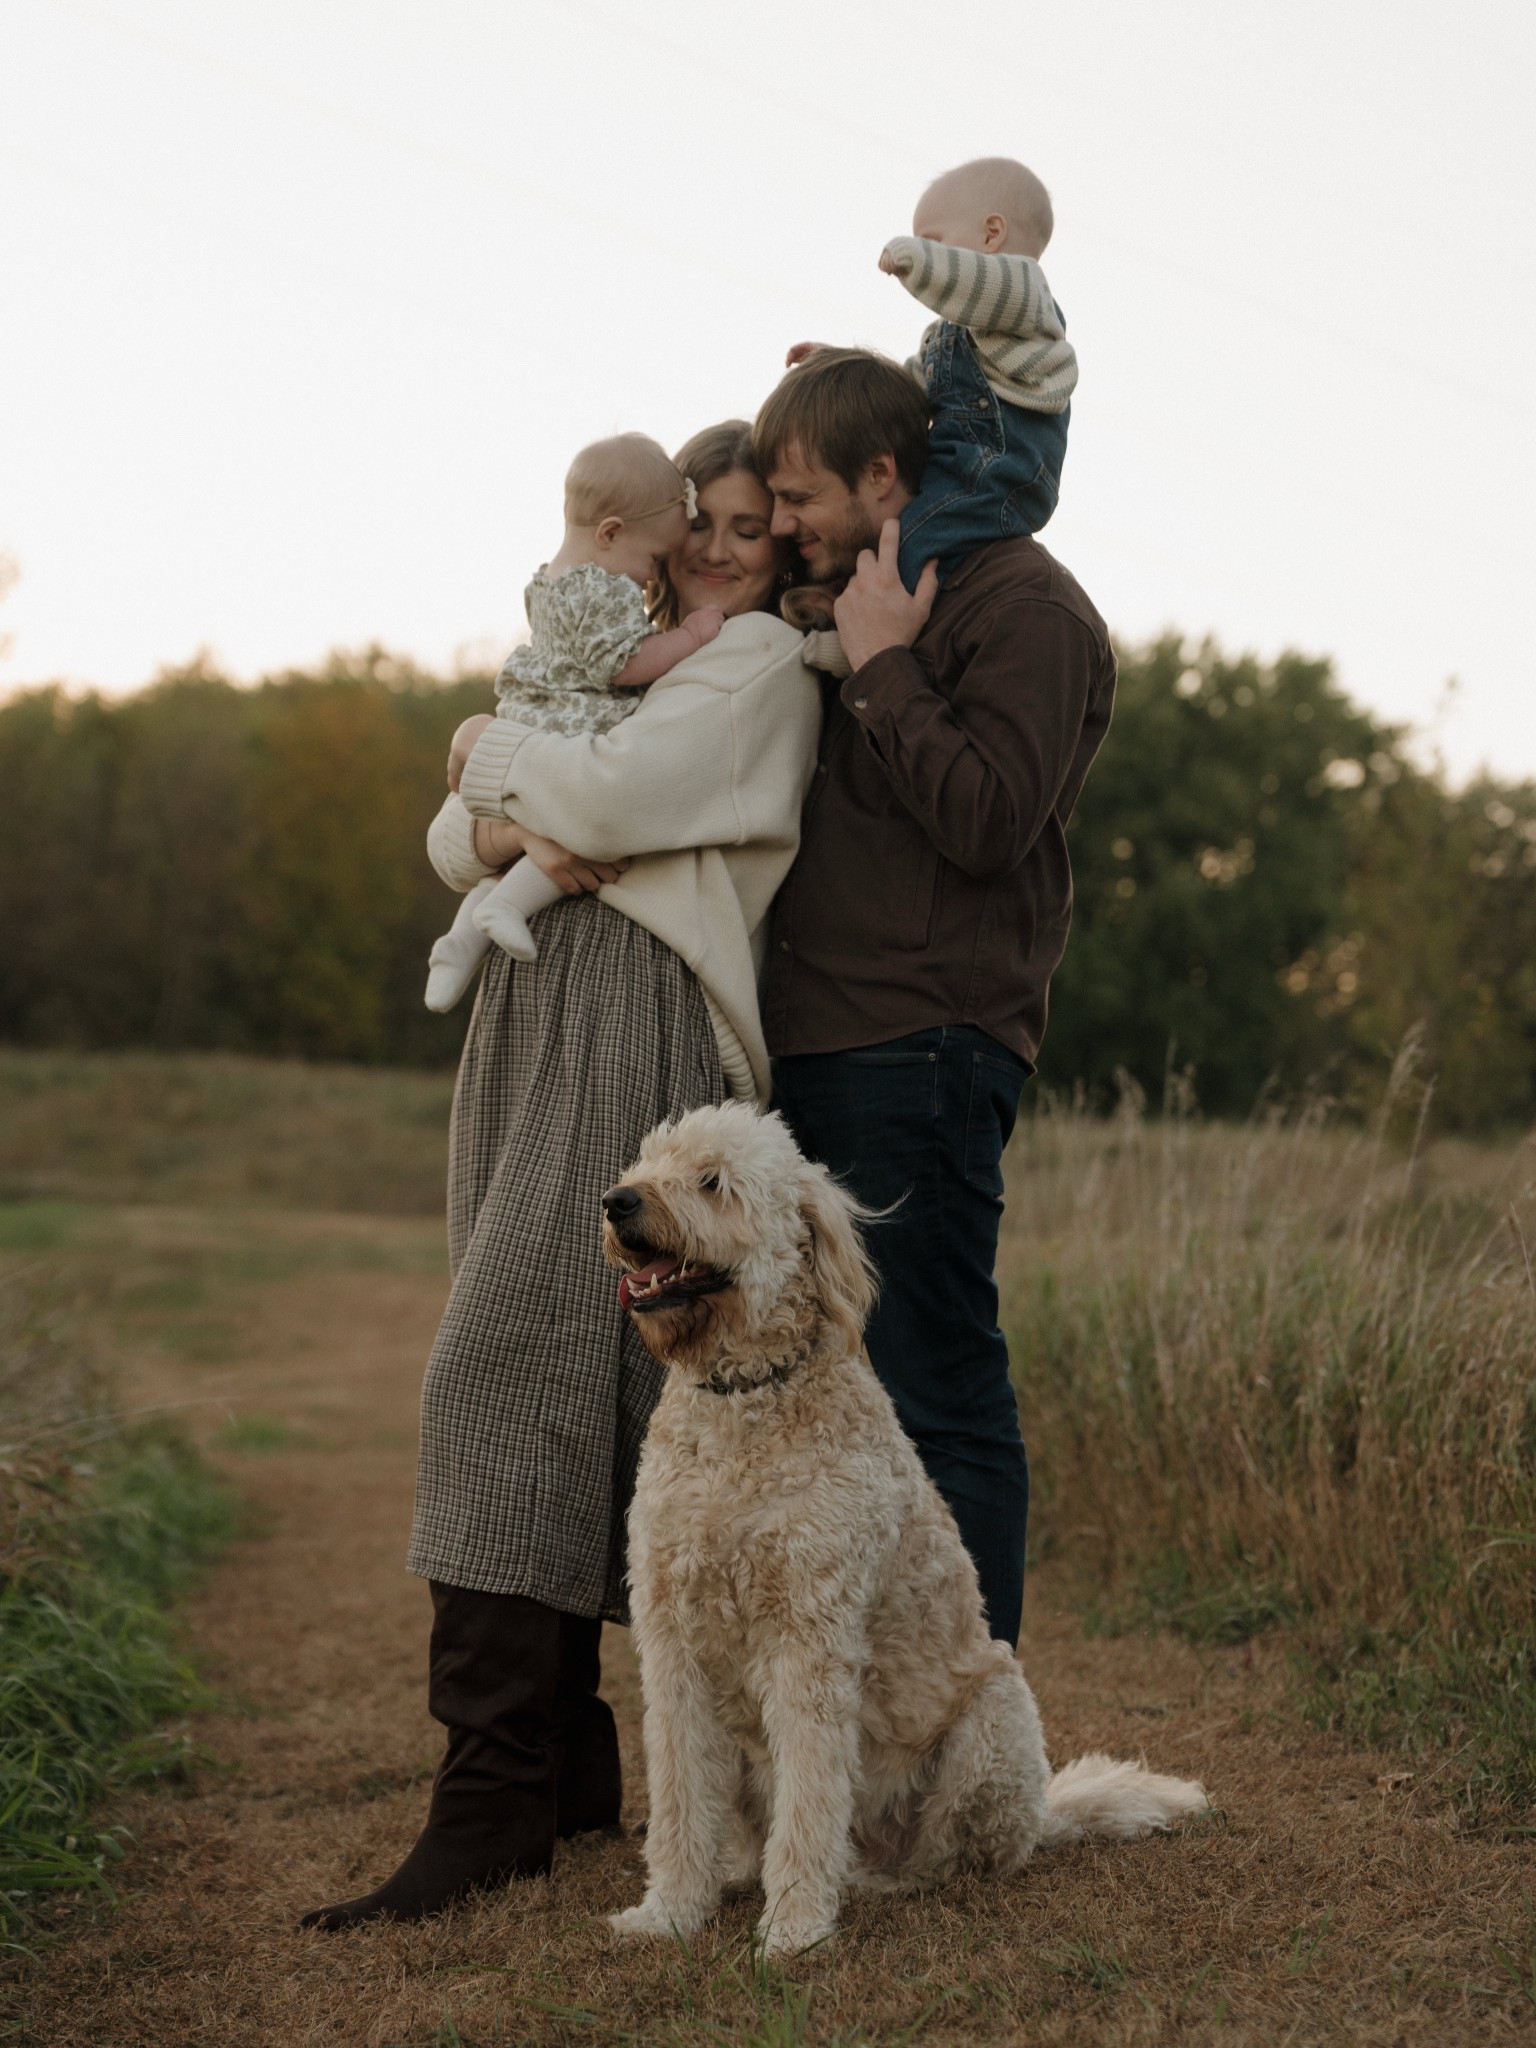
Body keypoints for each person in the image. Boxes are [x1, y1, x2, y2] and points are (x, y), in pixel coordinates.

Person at [300, 423, 821, 1930]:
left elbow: (594, 807)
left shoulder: (760, 669)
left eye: (749, 527)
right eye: (701, 524)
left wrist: (486, 756)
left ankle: (490, 1798)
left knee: (500, 1365)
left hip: (639, 1021)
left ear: (783, 546)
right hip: (531, 1026)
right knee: (570, 1373)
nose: (721, 548)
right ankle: (570, 1770)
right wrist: (489, 797)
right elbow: (452, 844)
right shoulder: (623, 650)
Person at [754, 348, 1116, 1652]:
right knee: (836, 1397)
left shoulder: (1028, 611)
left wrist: (886, 669)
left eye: (799, 494)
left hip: (923, 1048)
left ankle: (972, 1741)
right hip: (824, 1040)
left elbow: (986, 821)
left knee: (936, 1390)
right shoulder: (865, 588)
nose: (782, 520)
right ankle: (858, 1720)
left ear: (885, 477)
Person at [424, 433, 724, 1009]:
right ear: (609, 533)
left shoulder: (549, 579)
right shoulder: (603, 589)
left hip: (528, 722)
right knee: (570, 830)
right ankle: (505, 906)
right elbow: (623, 665)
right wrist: (691, 635)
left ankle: (460, 940)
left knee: (529, 841)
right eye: (654, 560)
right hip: (569, 729)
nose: (654, 578)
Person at [786, 156, 1076, 597]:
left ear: (992, 233)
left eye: (935, 240)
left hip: (1003, 476)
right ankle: (852, 609)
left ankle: (856, 627)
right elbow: (904, 394)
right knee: (885, 529)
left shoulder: (1027, 300)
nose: (927, 251)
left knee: (911, 540)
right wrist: (838, 367)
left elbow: (978, 284)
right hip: (956, 467)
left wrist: (915, 256)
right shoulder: (945, 337)